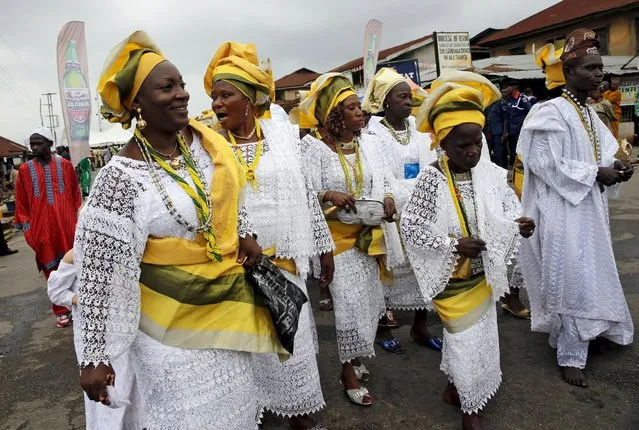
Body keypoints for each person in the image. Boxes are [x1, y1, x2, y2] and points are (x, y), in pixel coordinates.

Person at [77, 31, 279, 428]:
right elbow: (99, 274)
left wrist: (245, 232)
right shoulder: (118, 179)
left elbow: (227, 202)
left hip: (226, 311)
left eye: (182, 85)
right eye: (166, 87)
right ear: (137, 103)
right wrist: (95, 354)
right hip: (167, 332)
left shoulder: (205, 150)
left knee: (236, 408)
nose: (182, 94)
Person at [204, 41, 333, 430]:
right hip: (239, 270)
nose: (217, 104)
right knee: (248, 350)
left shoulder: (281, 137)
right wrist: (244, 234)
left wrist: (324, 246)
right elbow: (211, 207)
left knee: (291, 343)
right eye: (214, 96)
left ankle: (300, 414)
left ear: (249, 99)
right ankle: (254, 412)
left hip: (287, 263)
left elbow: (306, 194)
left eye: (226, 95)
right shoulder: (209, 147)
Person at [401, 77, 535, 430]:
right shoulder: (431, 179)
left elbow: (508, 210)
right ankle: (470, 410)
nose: (473, 151)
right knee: (464, 342)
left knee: (480, 341)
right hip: (453, 281)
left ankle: (456, 390)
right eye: (463, 145)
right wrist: (452, 244)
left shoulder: (490, 174)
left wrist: (519, 224)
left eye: (477, 142)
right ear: (443, 144)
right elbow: (411, 228)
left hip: (482, 277)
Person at [518, 29, 634, 388]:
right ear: (569, 72)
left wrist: (617, 168)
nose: (599, 74)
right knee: (570, 276)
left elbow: (603, 154)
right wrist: (594, 172)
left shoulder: (587, 111)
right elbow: (543, 163)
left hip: (588, 208)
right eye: (591, 67)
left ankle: (589, 330)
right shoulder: (549, 111)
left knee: (592, 272)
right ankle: (571, 354)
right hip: (560, 211)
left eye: (600, 67)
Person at [298, 73, 404, 406]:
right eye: (352, 108)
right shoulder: (312, 148)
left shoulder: (367, 142)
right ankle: (346, 370)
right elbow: (302, 193)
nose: (361, 113)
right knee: (347, 309)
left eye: (359, 107)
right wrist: (329, 193)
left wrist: (387, 198)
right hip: (336, 242)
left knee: (369, 304)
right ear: (334, 114)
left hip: (369, 238)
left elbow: (384, 178)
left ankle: (357, 357)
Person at [362, 67, 441, 353]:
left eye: (410, 97)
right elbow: (379, 175)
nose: (409, 102)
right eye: (402, 97)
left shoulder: (419, 129)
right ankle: (384, 327)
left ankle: (421, 327)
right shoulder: (372, 134)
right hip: (392, 211)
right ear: (385, 102)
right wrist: (404, 193)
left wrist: (421, 192)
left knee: (424, 266)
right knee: (389, 272)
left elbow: (431, 164)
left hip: (419, 210)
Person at [47, 248, 142, 429]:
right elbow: (56, 291)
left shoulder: (127, 250)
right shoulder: (75, 255)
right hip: (94, 336)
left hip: (125, 331)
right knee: (105, 388)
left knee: (131, 383)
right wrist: (82, 300)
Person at [507, 42, 567, 320]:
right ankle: (512, 295)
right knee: (531, 245)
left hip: (563, 193)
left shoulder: (578, 111)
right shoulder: (543, 110)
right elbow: (529, 157)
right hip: (539, 189)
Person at [14, 126, 81, 327]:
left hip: (68, 225)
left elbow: (75, 195)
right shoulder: (25, 171)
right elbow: (21, 203)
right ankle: (60, 310)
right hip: (42, 229)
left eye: (38, 143)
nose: (34, 147)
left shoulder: (66, 166)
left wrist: (79, 222)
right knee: (51, 270)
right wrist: (28, 230)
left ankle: (77, 304)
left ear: (50, 144)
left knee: (74, 266)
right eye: (32, 144)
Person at [501, 80, 532, 168]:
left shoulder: (522, 99)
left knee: (520, 151)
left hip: (520, 132)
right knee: (512, 150)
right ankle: (514, 167)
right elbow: (507, 117)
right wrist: (506, 131)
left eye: (508, 87)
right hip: (511, 132)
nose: (506, 89)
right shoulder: (509, 99)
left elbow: (530, 113)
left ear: (514, 87)